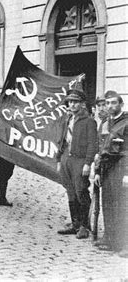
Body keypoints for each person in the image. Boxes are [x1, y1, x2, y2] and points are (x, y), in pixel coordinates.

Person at [56, 89, 97, 239]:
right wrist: (59, 160)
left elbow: (93, 144)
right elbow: (61, 141)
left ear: (82, 104)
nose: (72, 105)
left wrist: (87, 163)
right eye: (70, 102)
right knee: (70, 191)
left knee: (81, 191)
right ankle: (75, 223)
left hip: (79, 160)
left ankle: (85, 226)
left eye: (75, 102)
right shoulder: (67, 120)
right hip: (66, 158)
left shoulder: (89, 121)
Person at [93, 91, 128, 256]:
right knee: (108, 204)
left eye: (114, 103)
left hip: (121, 168)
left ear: (121, 104)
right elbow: (101, 149)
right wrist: (98, 171)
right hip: (107, 169)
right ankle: (110, 239)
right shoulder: (105, 123)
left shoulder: (126, 123)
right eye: (107, 103)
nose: (110, 106)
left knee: (123, 206)